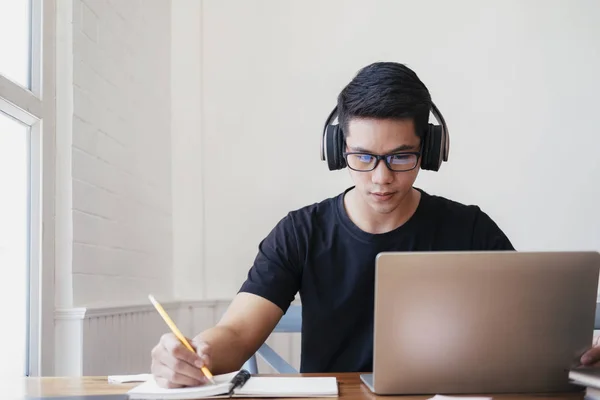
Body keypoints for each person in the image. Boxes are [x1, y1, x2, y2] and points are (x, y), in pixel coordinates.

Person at [150, 62, 600, 388]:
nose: (381, 178)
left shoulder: (471, 229)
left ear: (428, 151)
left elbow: (530, 332)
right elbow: (236, 333)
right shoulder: (300, 233)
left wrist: (581, 357)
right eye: (362, 157)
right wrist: (196, 352)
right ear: (335, 149)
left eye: (401, 156)